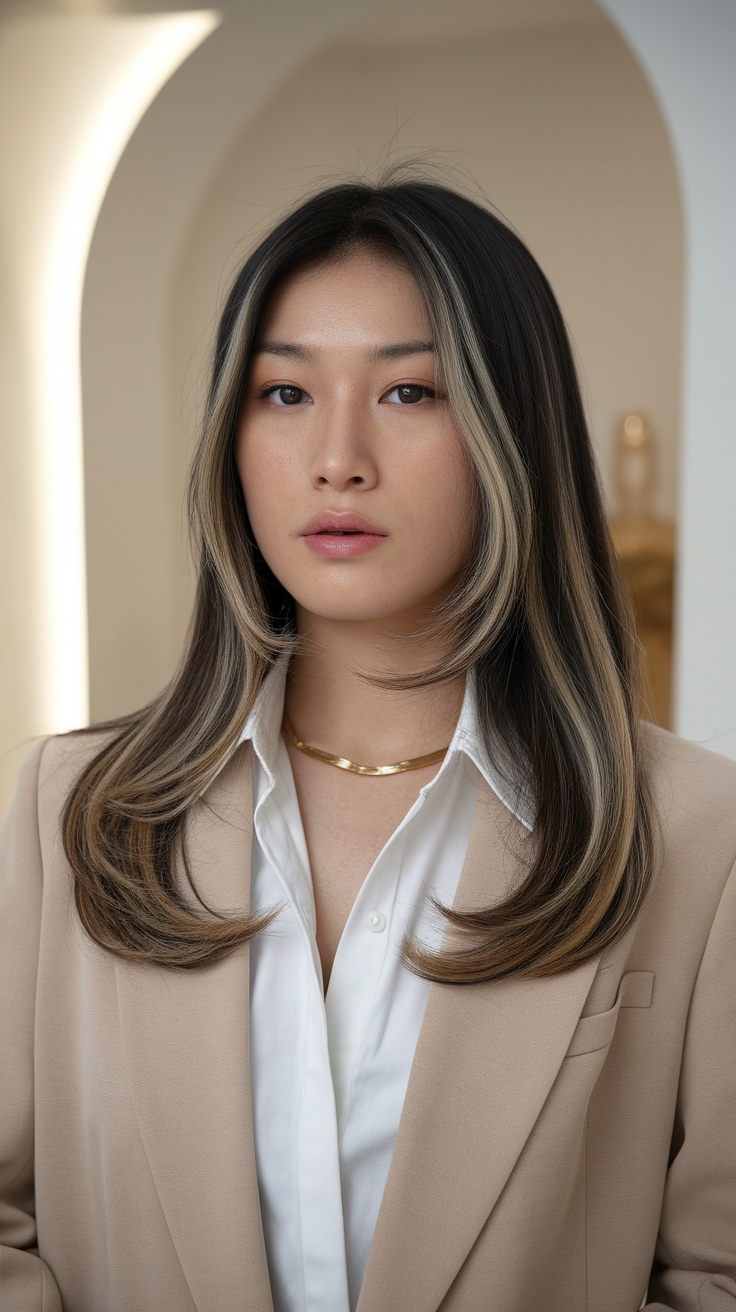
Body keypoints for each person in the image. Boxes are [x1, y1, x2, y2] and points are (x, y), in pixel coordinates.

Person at [1, 171, 735, 1312]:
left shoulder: (697, 832)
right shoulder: (68, 811)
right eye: (283, 393)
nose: (336, 456)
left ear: (511, 429)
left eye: (408, 392)